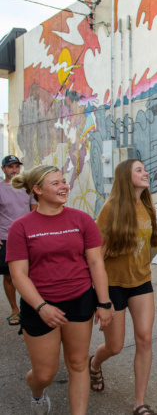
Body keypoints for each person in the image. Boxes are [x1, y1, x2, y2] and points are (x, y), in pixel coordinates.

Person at [6, 165, 112, 415]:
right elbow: (18, 275)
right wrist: (41, 307)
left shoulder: (82, 219)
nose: (64, 186)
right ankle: (37, 394)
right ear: (37, 190)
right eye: (55, 183)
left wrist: (104, 302)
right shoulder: (20, 227)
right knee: (44, 374)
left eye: (63, 181)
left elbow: (96, 263)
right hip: (39, 305)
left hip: (79, 300)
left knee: (77, 364)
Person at [89, 159, 157, 415]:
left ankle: (139, 402)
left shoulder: (147, 205)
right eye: (138, 170)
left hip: (141, 283)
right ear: (124, 177)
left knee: (145, 338)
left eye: (144, 169)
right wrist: (102, 300)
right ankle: (95, 364)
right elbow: (97, 255)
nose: (145, 173)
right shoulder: (110, 209)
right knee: (115, 346)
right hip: (113, 285)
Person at [0, 155, 37, 326]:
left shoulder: (28, 188)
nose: (14, 170)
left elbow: (35, 212)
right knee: (9, 276)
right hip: (6, 238)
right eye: (10, 167)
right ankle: (15, 310)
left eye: (16, 166)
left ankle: (32, 306)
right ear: (3, 170)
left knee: (33, 274)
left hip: (28, 238)